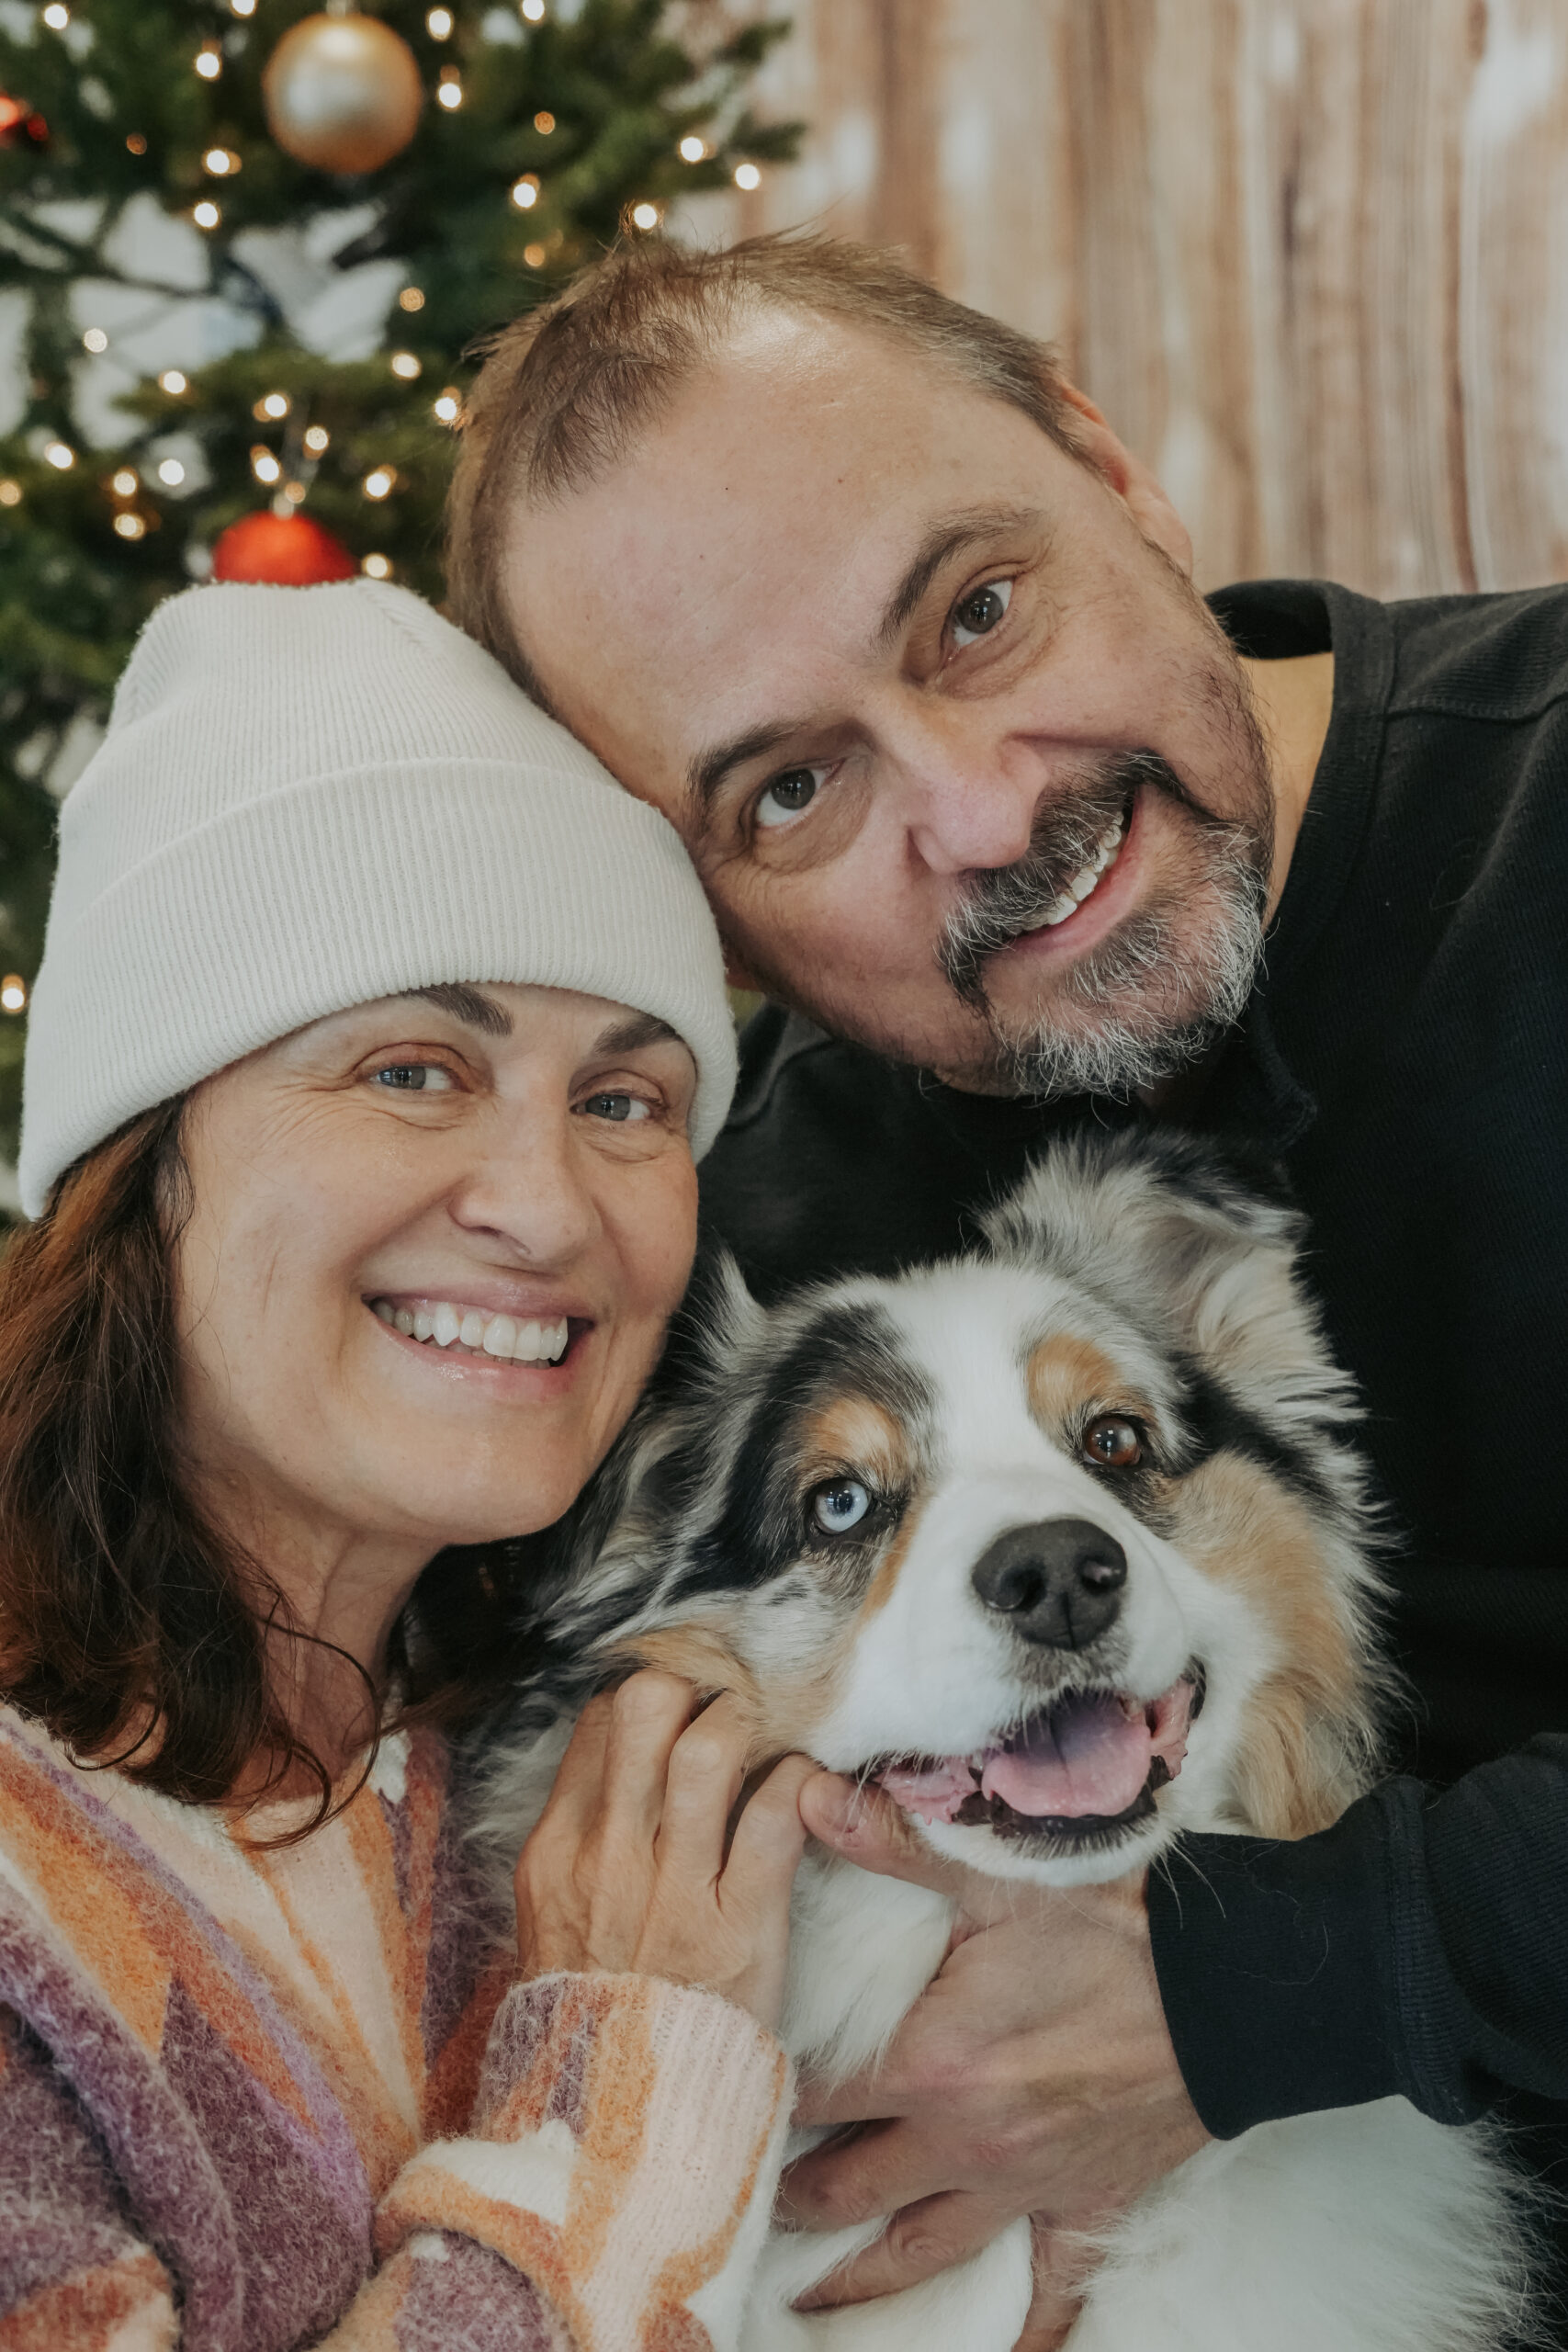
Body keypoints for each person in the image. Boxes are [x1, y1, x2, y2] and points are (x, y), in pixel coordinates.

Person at [445, 232, 1568, 2335]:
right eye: (792, 788)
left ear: (1107, 468)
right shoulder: (746, 1237)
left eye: (974, 608)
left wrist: (1277, 1976)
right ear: (707, 918)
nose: (980, 813)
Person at [0, 576, 825, 2349]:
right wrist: (622, 2096)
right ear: (141, 1156)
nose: (549, 1210)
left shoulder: (578, 1771)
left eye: (625, 1103)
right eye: (412, 1071)